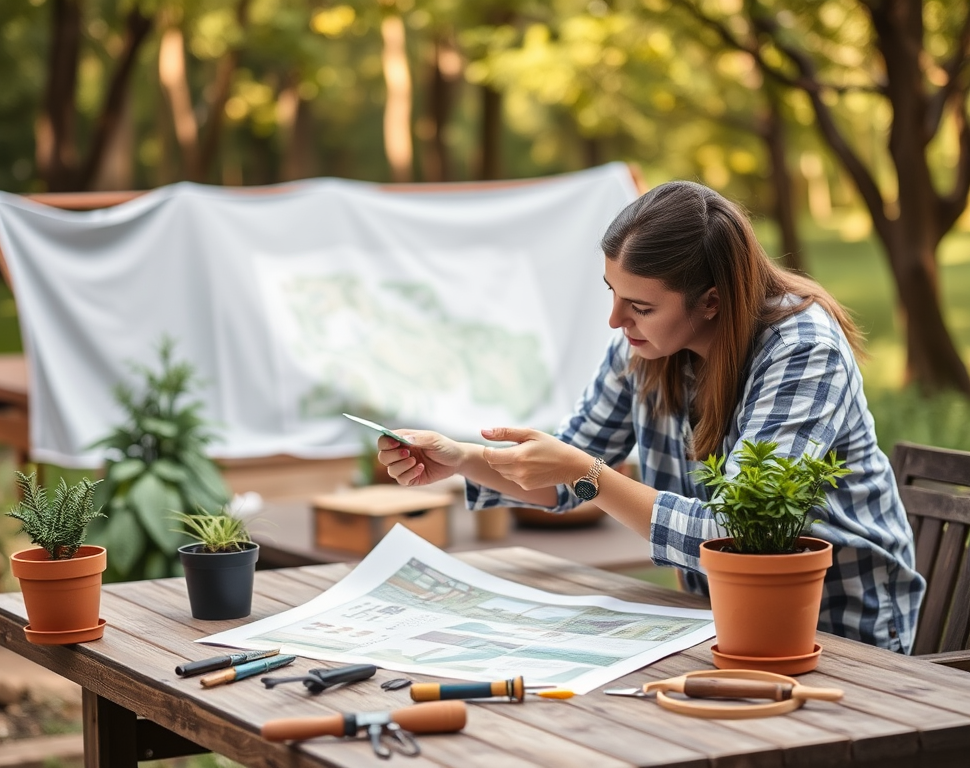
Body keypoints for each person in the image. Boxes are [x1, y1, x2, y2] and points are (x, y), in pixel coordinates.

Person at [376, 180, 924, 653]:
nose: (616, 320)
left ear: (711, 301)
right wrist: (461, 459)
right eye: (613, 293)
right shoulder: (643, 350)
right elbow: (563, 480)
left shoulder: (802, 351)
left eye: (640, 306)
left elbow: (737, 532)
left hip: (843, 630)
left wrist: (585, 472)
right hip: (717, 625)